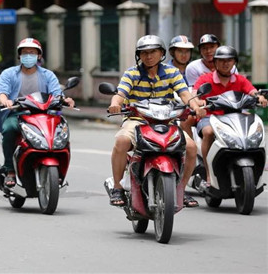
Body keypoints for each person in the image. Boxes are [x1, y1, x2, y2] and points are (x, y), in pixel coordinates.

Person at [107, 35, 205, 208]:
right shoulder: (132, 73)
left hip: (166, 122)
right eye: (144, 53)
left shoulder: (172, 72)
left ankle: (181, 188)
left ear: (162, 53)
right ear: (139, 55)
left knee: (191, 147)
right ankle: (117, 187)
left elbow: (184, 94)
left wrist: (195, 106)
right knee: (121, 141)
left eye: (153, 52)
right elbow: (121, 94)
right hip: (137, 120)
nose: (148, 56)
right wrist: (115, 104)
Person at [0, 38, 74, 187]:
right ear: (19, 55)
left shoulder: (48, 75)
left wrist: (65, 100)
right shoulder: (9, 74)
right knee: (8, 129)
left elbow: (56, 94)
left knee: (61, 131)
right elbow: (2, 92)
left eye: (32, 52)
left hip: (44, 115)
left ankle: (59, 171)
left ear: (39, 55)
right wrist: (5, 100)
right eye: (25, 53)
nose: (28, 55)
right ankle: (9, 170)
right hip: (17, 114)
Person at [193, 46, 267, 186]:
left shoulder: (240, 79)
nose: (225, 63)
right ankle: (209, 173)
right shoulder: (206, 79)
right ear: (215, 62)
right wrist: (199, 101)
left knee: (254, 129)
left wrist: (259, 97)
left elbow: (252, 91)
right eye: (221, 60)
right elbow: (195, 93)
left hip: (234, 117)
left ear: (234, 62)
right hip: (211, 117)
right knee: (208, 132)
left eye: (229, 60)